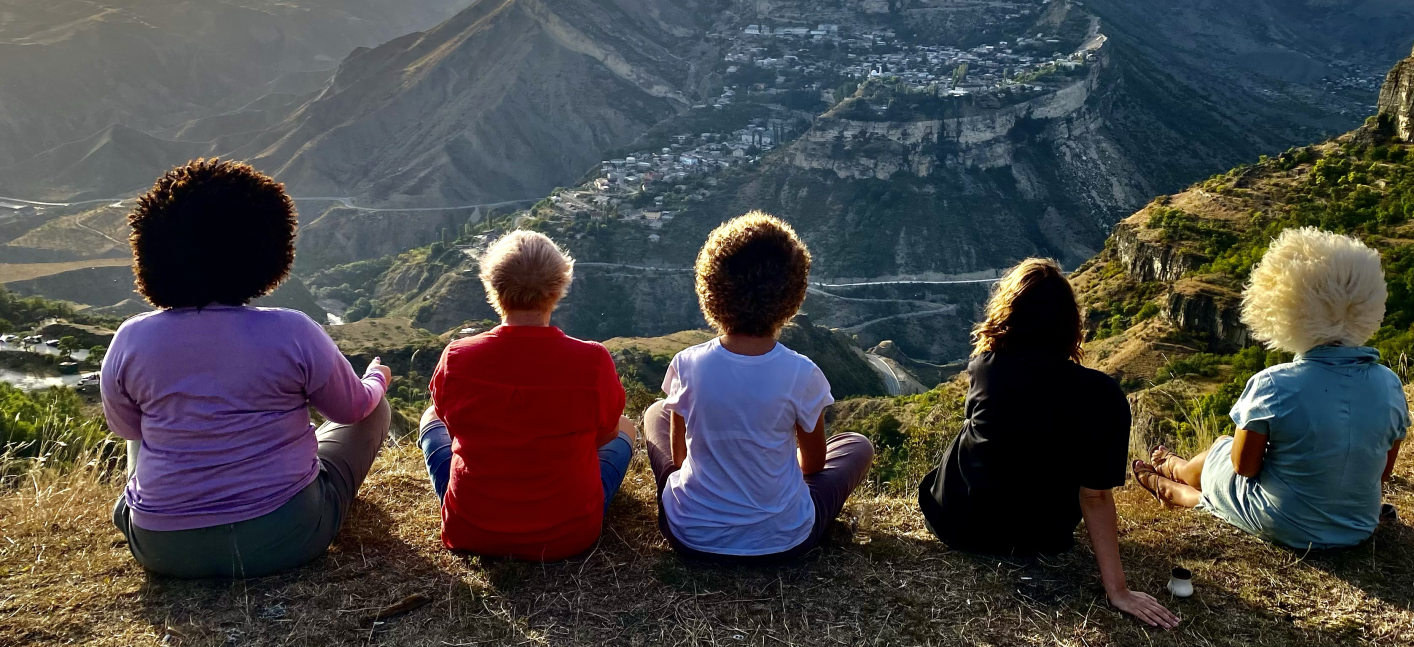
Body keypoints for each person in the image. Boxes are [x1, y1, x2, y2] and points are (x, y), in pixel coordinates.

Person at [103, 159, 392, 579]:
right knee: (375, 409)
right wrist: (376, 380)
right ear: (269, 249)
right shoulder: (291, 330)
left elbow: (126, 429)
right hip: (285, 538)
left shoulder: (131, 339)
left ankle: (154, 509)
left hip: (160, 548)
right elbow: (351, 410)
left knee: (145, 429)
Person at [918, 258, 1180, 630]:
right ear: (1070, 325)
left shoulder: (985, 367)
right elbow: (1095, 497)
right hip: (1041, 537)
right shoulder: (1103, 396)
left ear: (1008, 316)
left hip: (956, 523)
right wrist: (1118, 591)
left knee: (973, 429)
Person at [1132, 227, 1411, 551]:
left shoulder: (1273, 384)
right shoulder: (1389, 384)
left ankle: (1170, 482)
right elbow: (1382, 473)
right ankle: (1173, 469)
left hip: (1285, 525)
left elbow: (1245, 468)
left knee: (1222, 450)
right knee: (1231, 460)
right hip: (1357, 526)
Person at [643, 211, 873, 562]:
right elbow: (812, 466)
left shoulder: (687, 365)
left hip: (689, 535)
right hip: (784, 541)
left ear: (710, 288)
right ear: (793, 294)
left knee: (657, 412)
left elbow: (679, 458)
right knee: (857, 446)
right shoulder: (802, 373)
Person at [418, 230, 635, 560]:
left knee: (430, 416)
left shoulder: (457, 358)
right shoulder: (592, 361)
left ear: (493, 286)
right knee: (627, 427)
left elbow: (451, 427)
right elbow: (606, 434)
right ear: (558, 287)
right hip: (568, 535)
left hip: (472, 530)